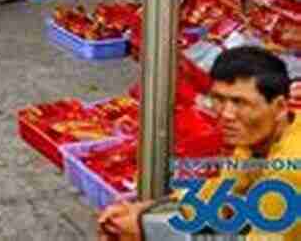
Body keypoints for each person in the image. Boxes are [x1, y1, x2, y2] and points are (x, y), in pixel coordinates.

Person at [98, 45, 301, 240]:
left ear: (280, 107)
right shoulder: (259, 137)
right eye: (219, 100)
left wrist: (147, 230)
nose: (227, 114)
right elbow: (221, 194)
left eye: (241, 103)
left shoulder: (289, 170)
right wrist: (147, 212)